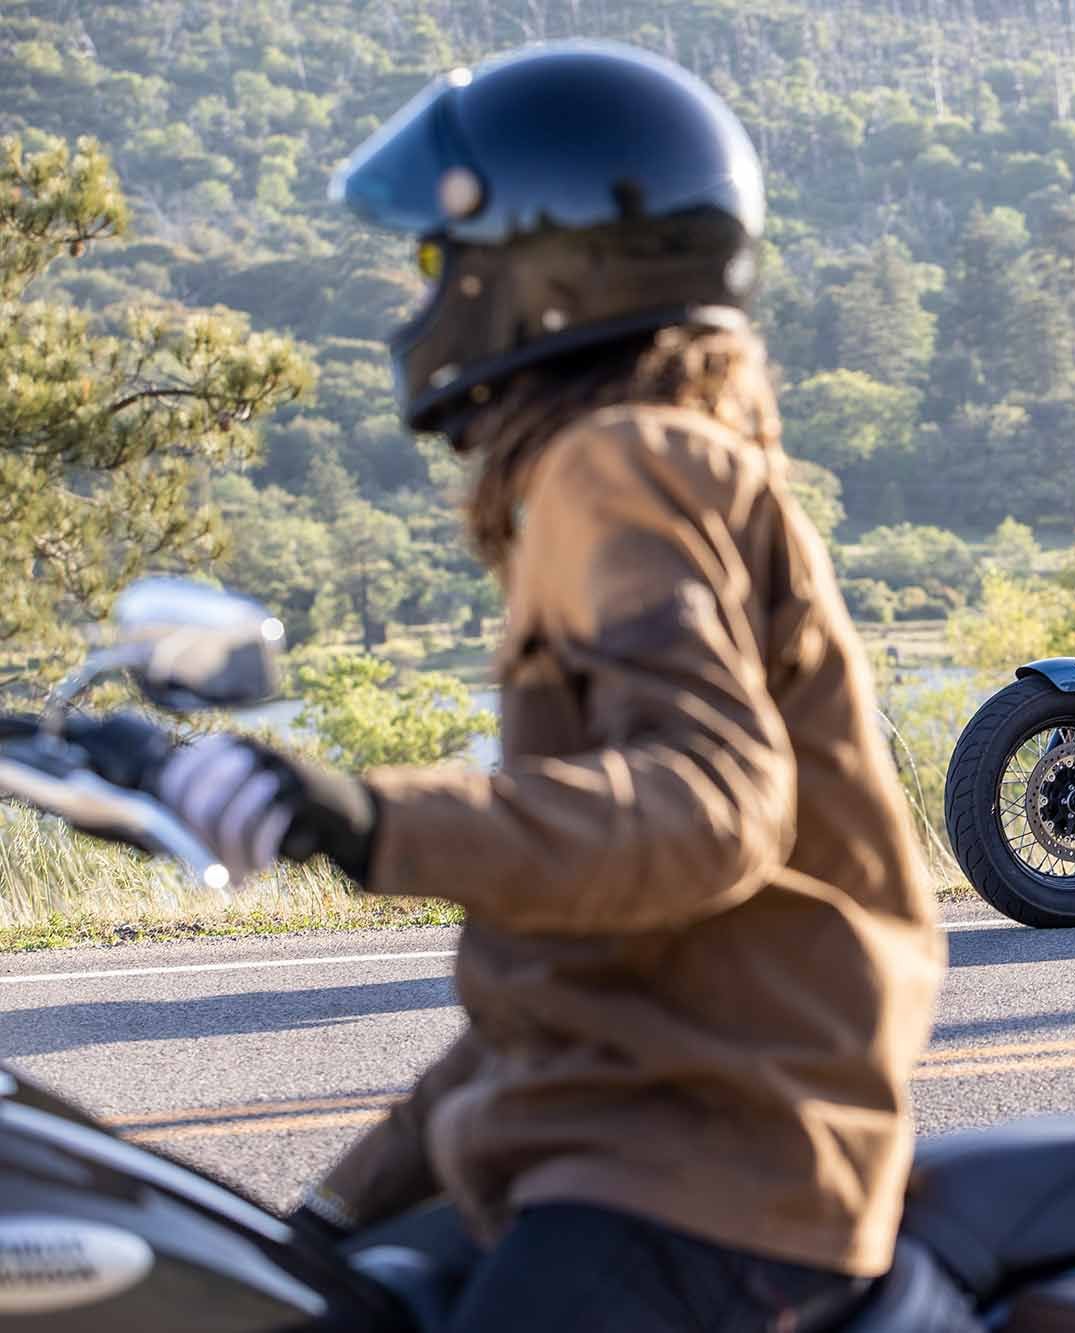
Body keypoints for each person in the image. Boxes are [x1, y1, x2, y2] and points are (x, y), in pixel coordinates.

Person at [116, 41, 944, 1331]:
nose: (424, 302)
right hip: (659, 1144)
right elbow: (562, 988)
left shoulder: (616, 464)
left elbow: (707, 808)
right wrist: (331, 1218)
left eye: (444, 264)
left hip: (698, 1179)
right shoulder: (663, 461)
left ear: (544, 270)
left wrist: (360, 813)